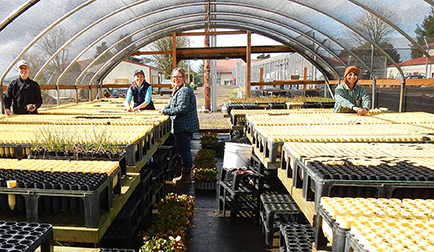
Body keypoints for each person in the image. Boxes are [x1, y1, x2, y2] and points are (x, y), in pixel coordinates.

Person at [159, 67, 199, 183]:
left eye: (178, 77)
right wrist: (165, 108)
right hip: (183, 126)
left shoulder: (184, 91)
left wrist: (166, 111)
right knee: (183, 149)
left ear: (184, 78)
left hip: (184, 126)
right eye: (174, 77)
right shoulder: (179, 89)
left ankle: (186, 176)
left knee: (184, 150)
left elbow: (182, 108)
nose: (176, 79)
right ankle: (184, 173)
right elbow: (174, 105)